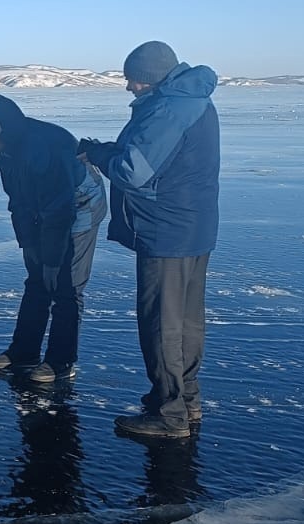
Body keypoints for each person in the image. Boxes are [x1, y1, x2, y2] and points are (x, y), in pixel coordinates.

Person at [79, 41, 219, 439]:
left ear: (150, 78)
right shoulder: (194, 101)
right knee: (188, 319)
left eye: (133, 80)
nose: (129, 88)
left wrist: (100, 156)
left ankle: (170, 412)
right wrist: (108, 149)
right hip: (195, 226)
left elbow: (132, 171)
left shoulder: (167, 110)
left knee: (161, 322)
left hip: (166, 230)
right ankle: (185, 399)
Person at [0, 93, 107, 383]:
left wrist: (53, 260)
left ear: (3, 131)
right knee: (37, 279)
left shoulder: (46, 148)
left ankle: (60, 362)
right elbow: (18, 200)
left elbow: (59, 209)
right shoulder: (5, 150)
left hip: (79, 204)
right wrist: (28, 244)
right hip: (48, 207)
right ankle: (24, 352)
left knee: (66, 284)